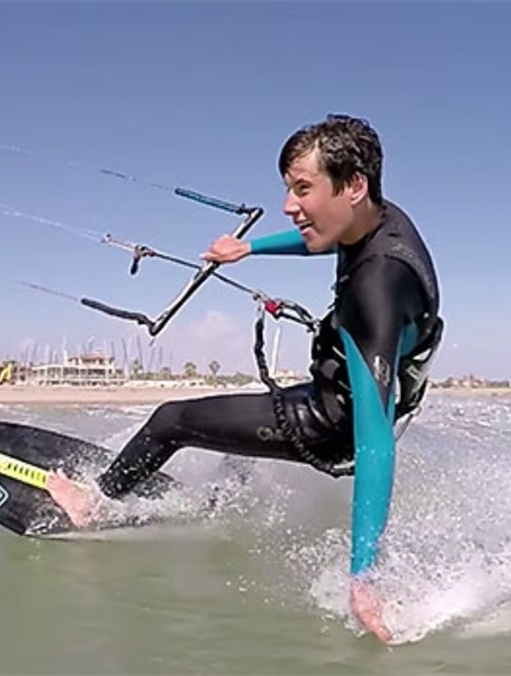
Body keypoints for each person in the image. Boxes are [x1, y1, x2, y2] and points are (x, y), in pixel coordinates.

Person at [47, 113, 443, 644]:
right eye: (288, 190)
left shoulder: (374, 290)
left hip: (331, 423)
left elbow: (373, 442)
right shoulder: (378, 219)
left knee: (172, 420)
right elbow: (320, 239)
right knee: (235, 445)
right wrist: (249, 249)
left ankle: (94, 504)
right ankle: (218, 502)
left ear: (353, 185)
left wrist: (363, 576)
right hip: (358, 396)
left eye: (303, 189)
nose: (288, 205)